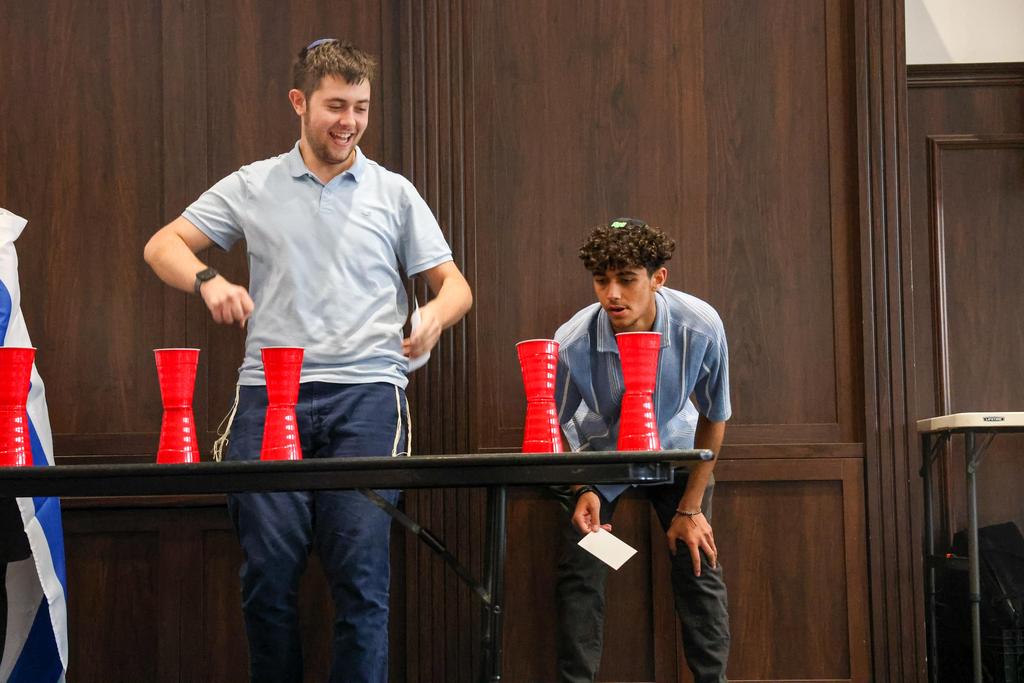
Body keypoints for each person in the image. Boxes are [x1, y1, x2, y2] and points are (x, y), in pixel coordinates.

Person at [143, 39, 472, 683]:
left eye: (361, 108)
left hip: (369, 395)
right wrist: (209, 280)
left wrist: (434, 315)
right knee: (267, 573)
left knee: (361, 577)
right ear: (299, 102)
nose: (349, 122)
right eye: (335, 106)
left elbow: (455, 286)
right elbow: (163, 246)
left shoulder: (394, 192)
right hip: (270, 394)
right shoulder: (254, 183)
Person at [553, 218, 731, 683]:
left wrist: (691, 508)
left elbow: (715, 415)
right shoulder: (572, 341)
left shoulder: (700, 326)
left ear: (657, 278)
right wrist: (580, 488)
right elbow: (550, 424)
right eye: (601, 280)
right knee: (582, 567)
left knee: (698, 563)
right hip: (602, 456)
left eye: (627, 279)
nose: (612, 294)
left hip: (677, 449)